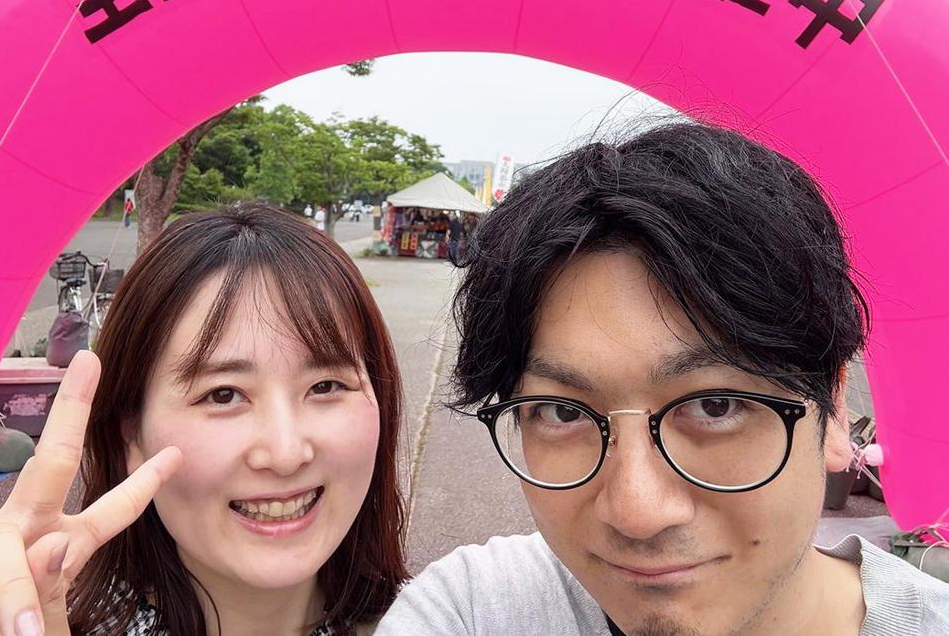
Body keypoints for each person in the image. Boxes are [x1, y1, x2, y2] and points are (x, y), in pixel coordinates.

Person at [376, 122, 949, 635]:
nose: (637, 513)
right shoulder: (474, 612)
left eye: (717, 405)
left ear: (834, 412)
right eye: (562, 411)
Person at [0, 203, 407, 636]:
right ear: (131, 437)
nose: (286, 453)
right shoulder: (42, 623)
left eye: (325, 386)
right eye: (223, 394)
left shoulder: (432, 618)